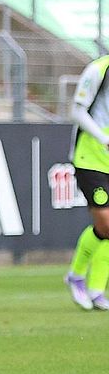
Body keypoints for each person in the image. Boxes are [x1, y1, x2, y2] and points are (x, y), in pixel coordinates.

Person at [65, 54, 109, 311]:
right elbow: (76, 111)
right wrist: (102, 138)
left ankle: (96, 289)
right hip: (89, 157)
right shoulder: (98, 70)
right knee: (105, 223)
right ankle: (77, 274)